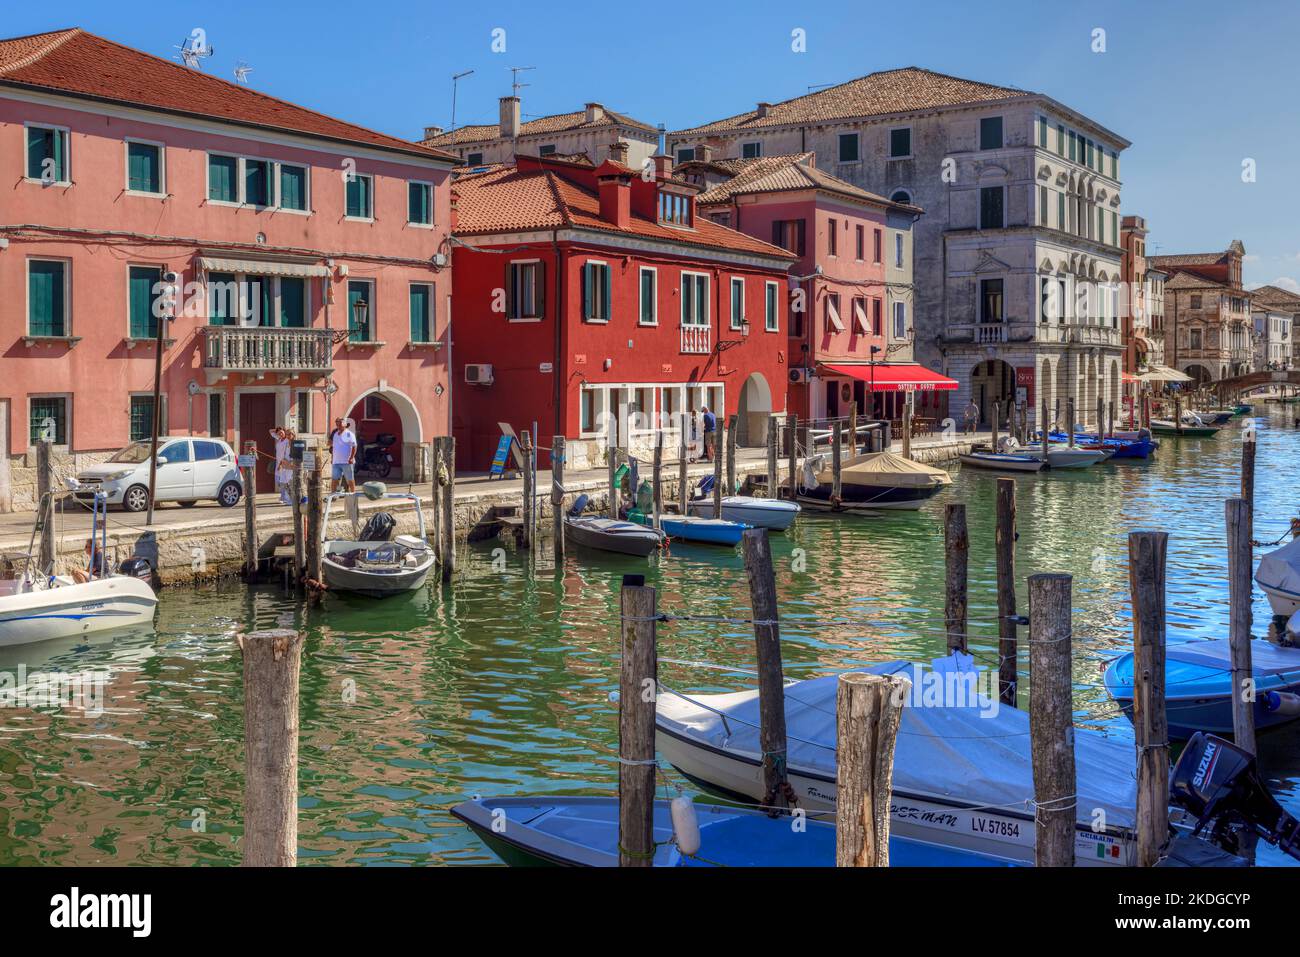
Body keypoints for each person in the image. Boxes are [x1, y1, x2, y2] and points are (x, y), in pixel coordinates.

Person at [330, 417, 357, 493]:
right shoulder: (335, 434)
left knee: (350, 479)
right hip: (336, 462)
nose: (338, 425)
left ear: (345, 424)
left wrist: (351, 457)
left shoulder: (349, 434)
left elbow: (354, 446)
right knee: (334, 479)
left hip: (346, 462)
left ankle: (353, 494)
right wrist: (332, 458)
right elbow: (334, 447)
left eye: (340, 423)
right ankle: (333, 495)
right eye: (337, 423)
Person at [271, 426, 295, 505]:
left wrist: (289, 463)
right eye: (287, 434)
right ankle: (287, 499)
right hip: (284, 463)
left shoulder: (291, 442)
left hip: (290, 465)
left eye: (289, 434)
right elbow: (285, 454)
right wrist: (281, 463)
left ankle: (290, 499)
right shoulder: (283, 441)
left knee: (288, 482)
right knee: (283, 481)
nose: (288, 435)